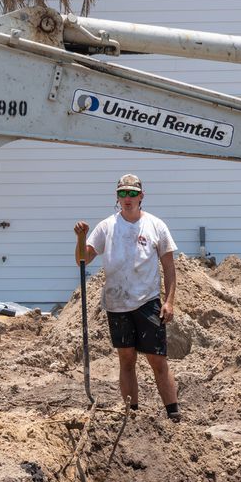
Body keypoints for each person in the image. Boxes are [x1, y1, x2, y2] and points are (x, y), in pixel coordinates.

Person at [75, 173, 181, 422]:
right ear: (117, 196)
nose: (127, 198)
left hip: (148, 301)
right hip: (117, 303)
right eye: (122, 193)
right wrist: (81, 237)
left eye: (132, 193)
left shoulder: (155, 225)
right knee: (126, 359)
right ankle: (130, 415)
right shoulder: (106, 227)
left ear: (141, 196)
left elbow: (169, 267)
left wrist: (169, 301)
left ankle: (173, 413)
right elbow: (83, 259)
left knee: (157, 359)